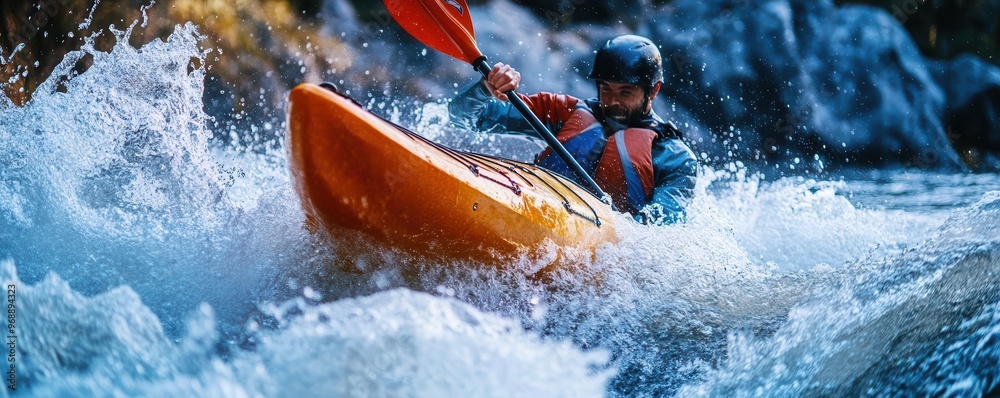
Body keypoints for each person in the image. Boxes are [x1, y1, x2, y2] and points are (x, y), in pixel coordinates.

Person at [449, 35, 698, 224]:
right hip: (539, 210)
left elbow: (662, 229)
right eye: (606, 89)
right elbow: (464, 119)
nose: (612, 101)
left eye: (625, 92)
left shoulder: (674, 157)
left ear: (653, 90)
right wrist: (486, 87)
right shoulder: (564, 112)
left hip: (601, 245)